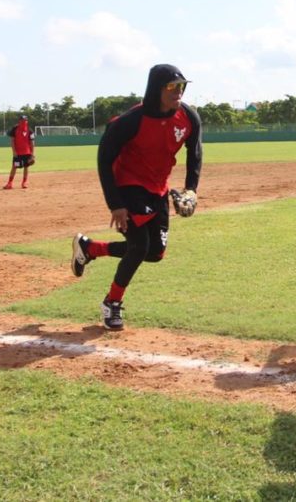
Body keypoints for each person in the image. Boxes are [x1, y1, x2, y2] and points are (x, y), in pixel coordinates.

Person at [70, 64, 203, 331]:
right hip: (128, 185)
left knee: (155, 253)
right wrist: (116, 204)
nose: (179, 92)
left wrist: (191, 188)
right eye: (172, 87)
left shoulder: (188, 116)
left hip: (158, 188)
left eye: (182, 86)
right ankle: (112, 303)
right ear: (157, 89)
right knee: (139, 246)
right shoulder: (130, 121)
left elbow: (195, 151)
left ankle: (91, 248)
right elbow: (104, 159)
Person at [3, 115, 35, 189]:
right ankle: (9, 183)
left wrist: (32, 154)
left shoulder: (30, 130)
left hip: (27, 153)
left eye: (25, 120)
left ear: (27, 121)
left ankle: (24, 183)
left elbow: (32, 143)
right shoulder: (15, 129)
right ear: (19, 121)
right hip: (18, 153)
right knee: (14, 167)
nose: (24, 122)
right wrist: (14, 151)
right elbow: (12, 141)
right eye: (22, 120)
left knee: (26, 167)